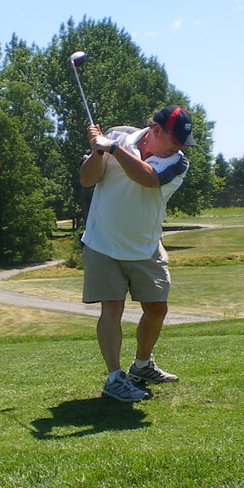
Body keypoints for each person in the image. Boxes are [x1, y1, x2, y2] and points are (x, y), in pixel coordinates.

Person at [79, 106, 197, 402]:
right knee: (112, 308)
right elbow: (87, 180)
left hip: (145, 244)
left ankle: (142, 365)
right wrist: (97, 152)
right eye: (175, 139)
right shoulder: (118, 136)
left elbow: (148, 179)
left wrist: (113, 149)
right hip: (103, 242)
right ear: (156, 130)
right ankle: (114, 377)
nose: (180, 147)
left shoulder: (176, 163)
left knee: (157, 309)